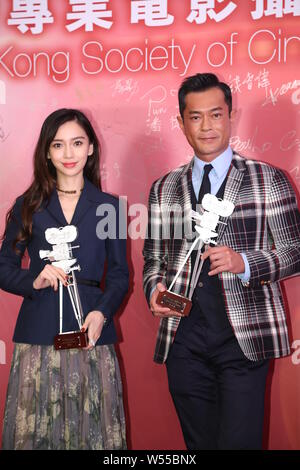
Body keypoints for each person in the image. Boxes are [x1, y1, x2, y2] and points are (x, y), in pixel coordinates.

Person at [143, 73, 300, 450]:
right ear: (181, 123)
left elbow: (295, 252)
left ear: (231, 116)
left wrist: (243, 262)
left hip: (242, 339)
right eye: (195, 117)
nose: (207, 126)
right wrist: (154, 289)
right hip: (183, 339)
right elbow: (153, 258)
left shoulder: (268, 179)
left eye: (216, 114)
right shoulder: (164, 187)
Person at [0, 108, 129, 450]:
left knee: (93, 435)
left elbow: (119, 275)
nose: (68, 154)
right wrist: (34, 279)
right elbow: (3, 268)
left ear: (90, 148)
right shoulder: (29, 205)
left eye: (76, 143)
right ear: (46, 151)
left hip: (91, 333)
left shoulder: (110, 208)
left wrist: (101, 313)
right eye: (58, 145)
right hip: (38, 334)